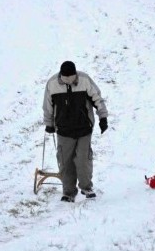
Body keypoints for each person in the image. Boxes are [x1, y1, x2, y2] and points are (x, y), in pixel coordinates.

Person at [43, 60, 109, 203]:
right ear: (61, 75)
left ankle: (86, 187)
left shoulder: (84, 80)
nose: (69, 81)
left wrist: (103, 117)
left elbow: (97, 98)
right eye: (66, 78)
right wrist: (49, 124)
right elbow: (47, 106)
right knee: (65, 161)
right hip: (63, 129)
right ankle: (68, 191)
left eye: (72, 78)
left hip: (84, 127)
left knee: (83, 159)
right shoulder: (52, 83)